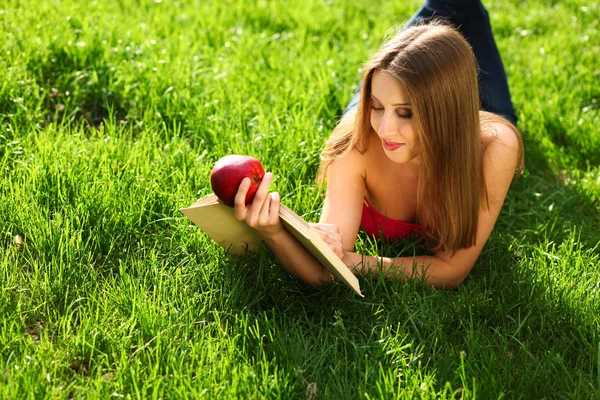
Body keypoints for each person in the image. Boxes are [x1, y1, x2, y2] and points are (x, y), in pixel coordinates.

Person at [232, 0, 524, 289]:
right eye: (376, 106)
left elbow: (452, 270)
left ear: (449, 113)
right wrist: (275, 234)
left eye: (405, 113)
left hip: (475, 122)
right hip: (364, 117)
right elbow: (324, 270)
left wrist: (350, 260)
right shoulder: (355, 144)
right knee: (408, 55)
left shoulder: (494, 147)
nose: (385, 130)